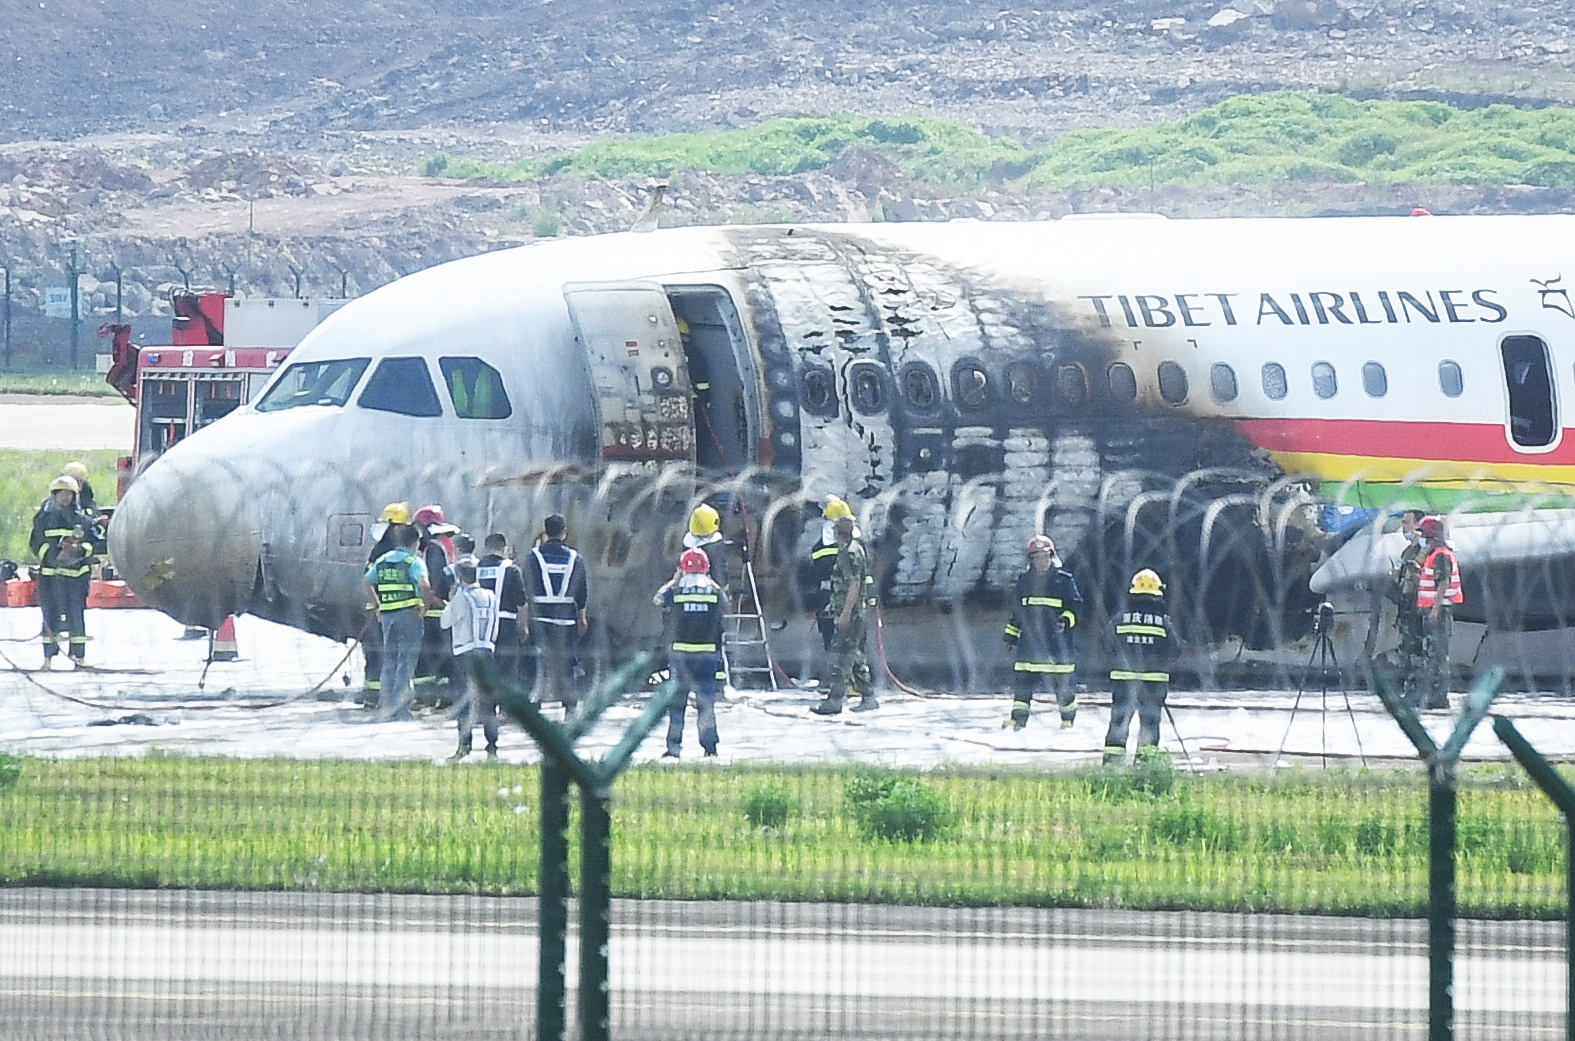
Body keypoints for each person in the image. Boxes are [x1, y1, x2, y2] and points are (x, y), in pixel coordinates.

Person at [1002, 534, 1083, 730]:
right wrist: (1010, 636)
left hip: (1057, 644)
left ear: (1052, 557)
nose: (1042, 561)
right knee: (1022, 685)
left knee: (1062, 685)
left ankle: (1067, 720)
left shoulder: (1063, 581)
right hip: (1029, 645)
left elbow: (1076, 607)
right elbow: (1017, 613)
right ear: (1031, 560)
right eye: (1037, 557)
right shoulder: (1024, 582)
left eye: (1045, 556)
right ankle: (1018, 719)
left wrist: (1066, 620)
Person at [653, 548, 728, 758]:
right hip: (707, 657)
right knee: (706, 705)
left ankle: (673, 748)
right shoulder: (713, 593)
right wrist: (712, 581)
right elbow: (726, 603)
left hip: (680, 657)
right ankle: (710, 748)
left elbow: (657, 599)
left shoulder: (676, 593)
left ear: (683, 568)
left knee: (677, 706)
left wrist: (674, 580)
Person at [363, 524, 438, 721]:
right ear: (416, 542)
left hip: (388, 617)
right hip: (409, 616)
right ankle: (400, 710)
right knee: (406, 663)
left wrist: (378, 605)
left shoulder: (382, 560)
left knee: (389, 662)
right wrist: (425, 605)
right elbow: (424, 585)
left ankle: (384, 707)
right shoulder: (414, 561)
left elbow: (367, 582)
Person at [1104, 568, 1173, 765]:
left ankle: (1111, 765)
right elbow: (1175, 649)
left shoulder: (1119, 619)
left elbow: (1106, 642)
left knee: (1118, 722)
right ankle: (1145, 767)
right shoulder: (1163, 622)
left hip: (1124, 682)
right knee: (1149, 726)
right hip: (1153, 685)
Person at [811, 514, 876, 715]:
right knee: (853, 655)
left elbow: (855, 584)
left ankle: (834, 701)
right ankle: (868, 695)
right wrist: (834, 605)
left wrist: (846, 612)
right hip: (850, 610)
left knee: (840, 656)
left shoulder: (849, 553)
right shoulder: (854, 550)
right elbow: (846, 585)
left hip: (852, 613)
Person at [526, 513, 589, 715]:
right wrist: (582, 617)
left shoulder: (533, 557)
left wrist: (525, 620)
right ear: (564, 533)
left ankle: (534, 706)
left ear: (545, 532)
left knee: (538, 662)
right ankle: (570, 707)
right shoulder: (575, 558)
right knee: (567, 663)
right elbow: (582, 591)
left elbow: (526, 588)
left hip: (540, 619)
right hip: (566, 620)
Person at [30, 475, 96, 667]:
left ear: (74, 496)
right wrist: (51, 555)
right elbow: (36, 543)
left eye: (68, 494)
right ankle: (48, 658)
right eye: (61, 494)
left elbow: (94, 543)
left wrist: (79, 551)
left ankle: (79, 657)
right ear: (54, 495)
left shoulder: (82, 520)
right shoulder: (44, 519)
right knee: (50, 616)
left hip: (77, 578)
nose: (65, 498)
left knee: (76, 616)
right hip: (51, 577)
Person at [442, 560, 501, 761]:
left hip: (465, 653)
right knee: (488, 701)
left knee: (464, 700)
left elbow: (445, 622)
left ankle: (464, 745)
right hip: (487, 650)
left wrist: (450, 601)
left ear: (460, 578)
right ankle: (492, 745)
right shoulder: (490, 596)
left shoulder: (462, 597)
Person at [360, 501, 413, 707]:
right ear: (397, 526)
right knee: (390, 654)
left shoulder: (378, 549)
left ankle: (372, 698)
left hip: (378, 609)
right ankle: (386, 697)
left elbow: (367, 579)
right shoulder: (394, 552)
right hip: (390, 609)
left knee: (376, 655)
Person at [1415, 514, 1461, 710]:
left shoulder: (1441, 555)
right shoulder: (1434, 554)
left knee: (1438, 655)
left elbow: (1443, 583)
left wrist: (1435, 609)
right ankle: (1432, 695)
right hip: (1433, 609)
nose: (1425, 541)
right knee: (1431, 654)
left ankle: (1439, 697)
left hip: (1439, 611)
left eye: (1426, 537)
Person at [413, 504, 456, 700]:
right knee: (444, 658)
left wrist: (427, 602)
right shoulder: (446, 544)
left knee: (425, 657)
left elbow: (431, 579)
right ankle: (445, 699)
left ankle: (425, 698)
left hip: (434, 609)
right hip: (446, 608)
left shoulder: (432, 549)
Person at [477, 533, 527, 687]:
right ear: (504, 548)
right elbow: (522, 603)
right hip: (506, 623)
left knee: (485, 666)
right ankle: (506, 706)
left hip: (481, 624)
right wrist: (523, 627)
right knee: (507, 668)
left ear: (485, 548)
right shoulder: (512, 570)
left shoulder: (476, 568)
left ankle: (486, 707)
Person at [1390, 509, 1426, 704]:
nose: (1403, 527)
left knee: (1417, 650)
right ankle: (1410, 688)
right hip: (1405, 606)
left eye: (1406, 522)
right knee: (1406, 648)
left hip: (1418, 606)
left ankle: (1418, 690)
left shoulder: (1426, 549)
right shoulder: (1408, 551)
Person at [683, 502, 729, 590]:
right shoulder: (714, 548)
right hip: (710, 590)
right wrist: (724, 589)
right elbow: (718, 572)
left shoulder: (687, 542)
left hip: (686, 587)